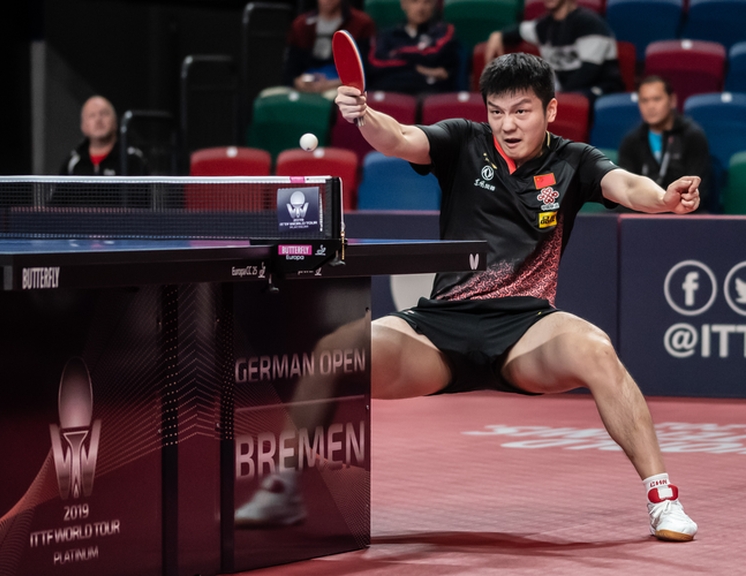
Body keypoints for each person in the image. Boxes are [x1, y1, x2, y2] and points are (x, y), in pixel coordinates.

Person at [242, 52, 700, 541]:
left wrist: (664, 200)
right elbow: (398, 138)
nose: (506, 124)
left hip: (526, 329)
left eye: (521, 111)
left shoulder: (573, 160)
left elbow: (627, 185)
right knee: (334, 350)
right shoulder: (463, 140)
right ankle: (281, 487)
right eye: (497, 111)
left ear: (549, 111)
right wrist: (364, 116)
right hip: (440, 329)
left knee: (597, 350)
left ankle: (662, 499)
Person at [484, 0, 623, 100]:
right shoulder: (544, 26)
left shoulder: (590, 24)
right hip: (564, 93)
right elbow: (518, 31)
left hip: (600, 90)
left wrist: (555, 96)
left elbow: (589, 71)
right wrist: (499, 35)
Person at [618, 75, 712, 212]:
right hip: (641, 215)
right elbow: (626, 189)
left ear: (672, 101)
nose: (650, 106)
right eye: (644, 101)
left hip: (683, 215)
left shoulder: (692, 137)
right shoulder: (631, 141)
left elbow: (697, 191)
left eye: (657, 99)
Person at [366, 0, 461, 95]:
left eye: (427, 2)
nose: (420, 8)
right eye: (414, 1)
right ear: (404, 4)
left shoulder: (444, 31)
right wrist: (421, 69)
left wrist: (397, 53)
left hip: (430, 94)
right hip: (390, 90)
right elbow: (375, 62)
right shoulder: (387, 35)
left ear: (434, 5)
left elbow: (435, 55)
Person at [282, 0, 376, 96]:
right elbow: (289, 70)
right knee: (273, 96)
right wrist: (298, 82)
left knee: (334, 99)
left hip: (341, 85)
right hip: (306, 83)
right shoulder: (300, 25)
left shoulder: (361, 24)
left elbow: (365, 72)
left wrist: (332, 84)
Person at [59, 95, 147, 176]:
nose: (98, 120)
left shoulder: (133, 160)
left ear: (115, 122)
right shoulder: (72, 163)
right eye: (92, 115)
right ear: (83, 126)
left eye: (104, 114)